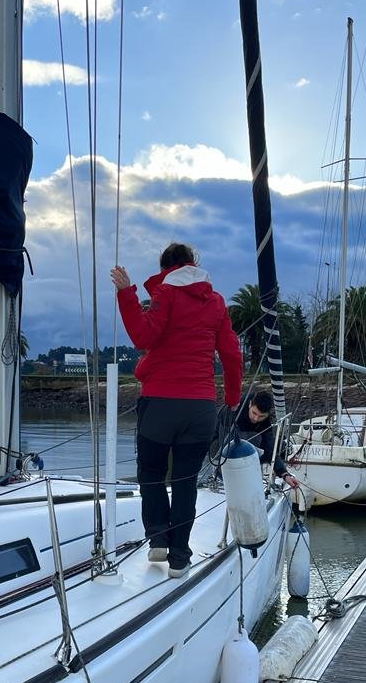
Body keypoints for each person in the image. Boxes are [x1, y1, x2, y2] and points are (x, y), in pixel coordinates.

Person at [111, 243, 243, 578]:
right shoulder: (216, 302)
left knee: (151, 474)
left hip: (160, 403)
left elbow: (143, 337)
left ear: (165, 267)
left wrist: (126, 293)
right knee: (185, 482)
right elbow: (231, 354)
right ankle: (179, 558)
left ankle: (158, 537)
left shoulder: (166, 294)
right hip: (200, 407)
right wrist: (231, 397)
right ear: (193, 264)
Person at [234, 389, 299, 489]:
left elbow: (270, 448)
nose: (256, 418)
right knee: (254, 439)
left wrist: (284, 474)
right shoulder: (235, 408)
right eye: (254, 413)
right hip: (221, 446)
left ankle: (254, 479)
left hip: (249, 448)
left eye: (261, 416)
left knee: (278, 445)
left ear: (268, 414)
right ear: (250, 404)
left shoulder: (265, 422)